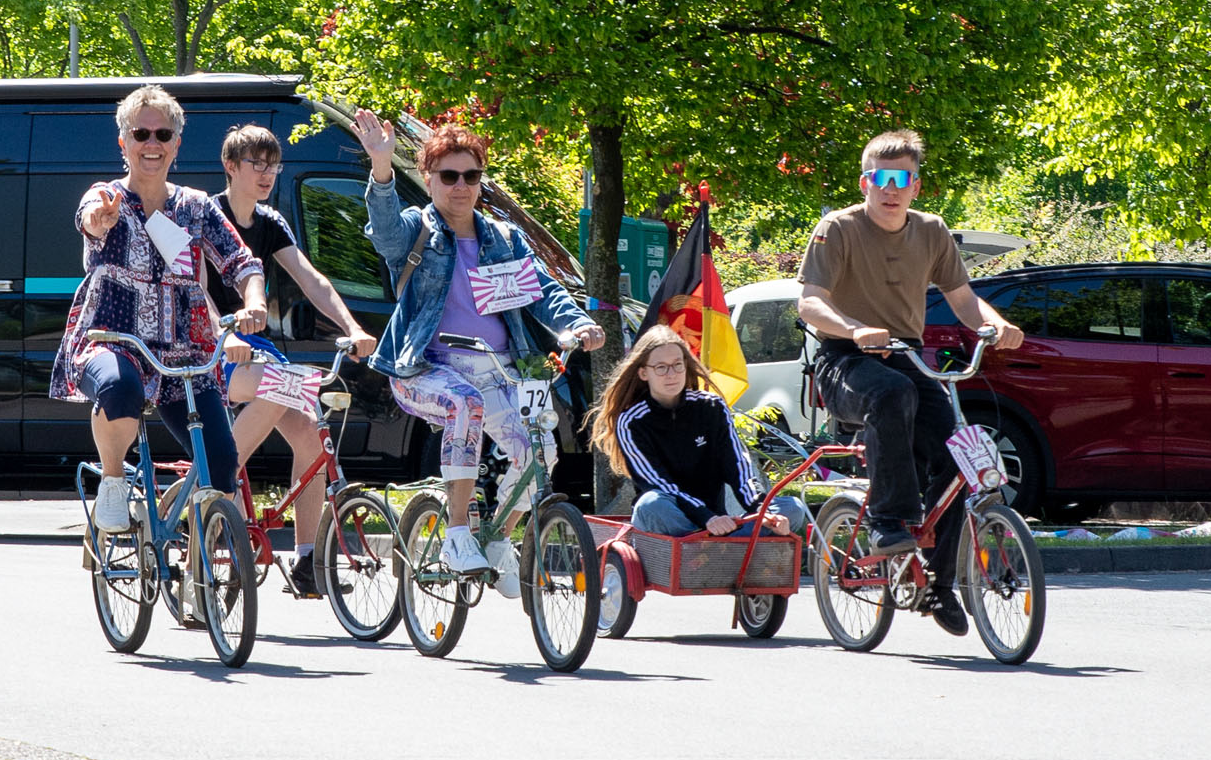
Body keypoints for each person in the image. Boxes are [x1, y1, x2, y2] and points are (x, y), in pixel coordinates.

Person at [350, 110, 604, 596]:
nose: (461, 186)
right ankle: (458, 534)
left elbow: (543, 293)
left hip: (500, 372)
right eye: (449, 176)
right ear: (428, 179)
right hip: (425, 369)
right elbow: (384, 235)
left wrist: (578, 324)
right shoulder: (416, 230)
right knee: (463, 404)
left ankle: (497, 539)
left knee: (539, 453)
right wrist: (382, 168)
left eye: (471, 175)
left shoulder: (504, 238)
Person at [796, 129, 1024, 637]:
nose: (890, 188)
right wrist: (854, 328)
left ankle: (938, 583)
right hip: (843, 359)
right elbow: (809, 301)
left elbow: (963, 297)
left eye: (901, 178)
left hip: (905, 358)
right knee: (890, 395)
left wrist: (995, 325)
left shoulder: (932, 230)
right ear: (865, 182)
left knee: (958, 454)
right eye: (880, 177)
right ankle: (888, 520)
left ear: (916, 186)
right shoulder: (838, 228)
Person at [50, 85, 266, 536]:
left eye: (163, 134)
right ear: (123, 142)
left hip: (182, 352)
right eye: (141, 133)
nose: (152, 144)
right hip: (112, 339)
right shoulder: (104, 196)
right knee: (120, 389)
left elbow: (243, 262)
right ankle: (112, 484)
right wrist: (100, 220)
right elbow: (90, 217)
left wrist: (254, 301)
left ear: (176, 144)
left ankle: (198, 574)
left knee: (222, 465)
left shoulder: (195, 206)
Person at [206, 123, 378, 597]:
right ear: (230, 167)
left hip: (258, 350)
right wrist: (227, 332)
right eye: (255, 164)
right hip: (209, 347)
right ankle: (215, 496)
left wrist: (353, 328)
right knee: (275, 383)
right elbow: (194, 289)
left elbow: (312, 280)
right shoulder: (206, 216)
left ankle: (306, 562)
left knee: (309, 436)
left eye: (272, 164)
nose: (266, 174)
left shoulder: (270, 222)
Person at [587, 325, 809, 538]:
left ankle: (722, 547)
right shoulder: (631, 421)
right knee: (651, 504)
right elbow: (657, 482)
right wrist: (706, 517)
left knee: (792, 508)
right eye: (661, 367)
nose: (671, 374)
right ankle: (710, 548)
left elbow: (737, 464)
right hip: (675, 521)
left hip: (719, 523)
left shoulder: (712, 407)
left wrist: (761, 509)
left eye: (677, 365)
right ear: (644, 373)